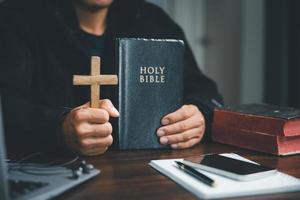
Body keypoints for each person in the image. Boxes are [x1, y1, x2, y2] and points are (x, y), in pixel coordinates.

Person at [0, 0, 223, 155]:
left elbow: (205, 92)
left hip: (146, 176)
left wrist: (200, 114)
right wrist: (58, 128)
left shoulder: (153, 20)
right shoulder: (16, 17)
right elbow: (7, 105)